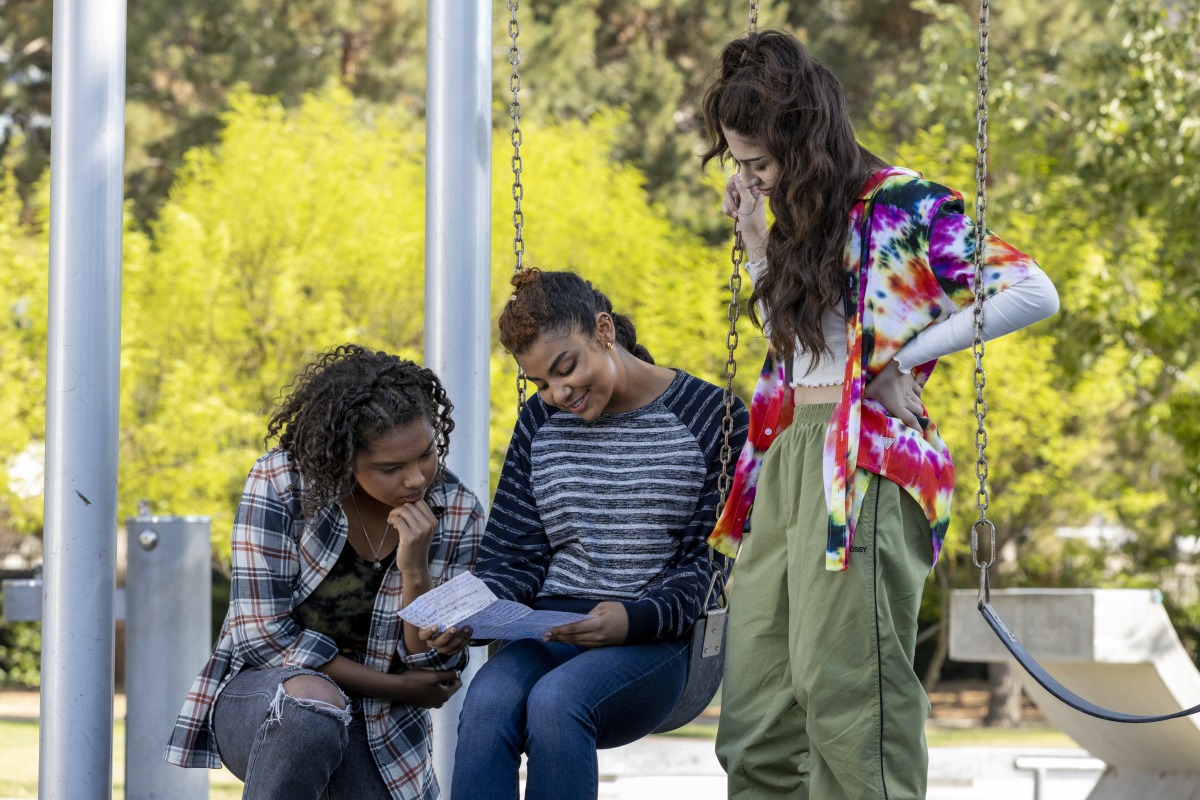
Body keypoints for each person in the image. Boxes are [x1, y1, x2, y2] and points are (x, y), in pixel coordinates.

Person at [700, 31, 1060, 800]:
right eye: (740, 163)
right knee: (758, 716)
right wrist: (759, 241)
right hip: (787, 454)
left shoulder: (903, 203)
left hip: (861, 461)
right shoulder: (801, 217)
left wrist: (901, 359)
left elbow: (1033, 290)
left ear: (802, 139)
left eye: (758, 163)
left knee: (850, 705)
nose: (749, 178)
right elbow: (799, 352)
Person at [450, 269, 749, 800]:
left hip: (653, 638)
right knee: (487, 700)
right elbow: (512, 557)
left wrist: (633, 619)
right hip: (550, 630)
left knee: (558, 701)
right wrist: (468, 613)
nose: (558, 393)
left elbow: (708, 565)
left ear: (604, 330)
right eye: (541, 383)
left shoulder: (714, 417)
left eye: (566, 368)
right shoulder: (539, 423)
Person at [165, 344, 485, 800]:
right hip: (269, 701)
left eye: (426, 454)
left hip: (383, 726)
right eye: (390, 468)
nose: (416, 478)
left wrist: (415, 570)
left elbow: (433, 667)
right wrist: (396, 686)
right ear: (344, 458)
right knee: (312, 710)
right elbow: (261, 636)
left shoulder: (458, 510)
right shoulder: (282, 483)